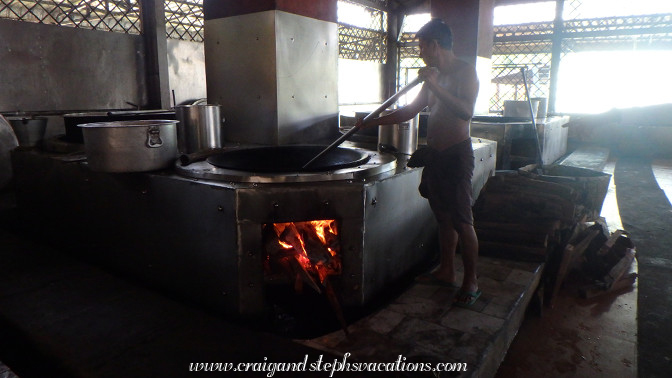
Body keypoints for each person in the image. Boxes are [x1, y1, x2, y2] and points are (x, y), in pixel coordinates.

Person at [357, 18, 481, 306]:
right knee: (443, 217)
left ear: (435, 45)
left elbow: (465, 112)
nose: (421, 52)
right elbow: (409, 111)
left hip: (457, 155)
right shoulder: (434, 77)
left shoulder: (465, 72)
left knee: (463, 221)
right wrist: (371, 122)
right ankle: (447, 271)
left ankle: (471, 280)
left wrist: (435, 85)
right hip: (435, 155)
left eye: (422, 46)